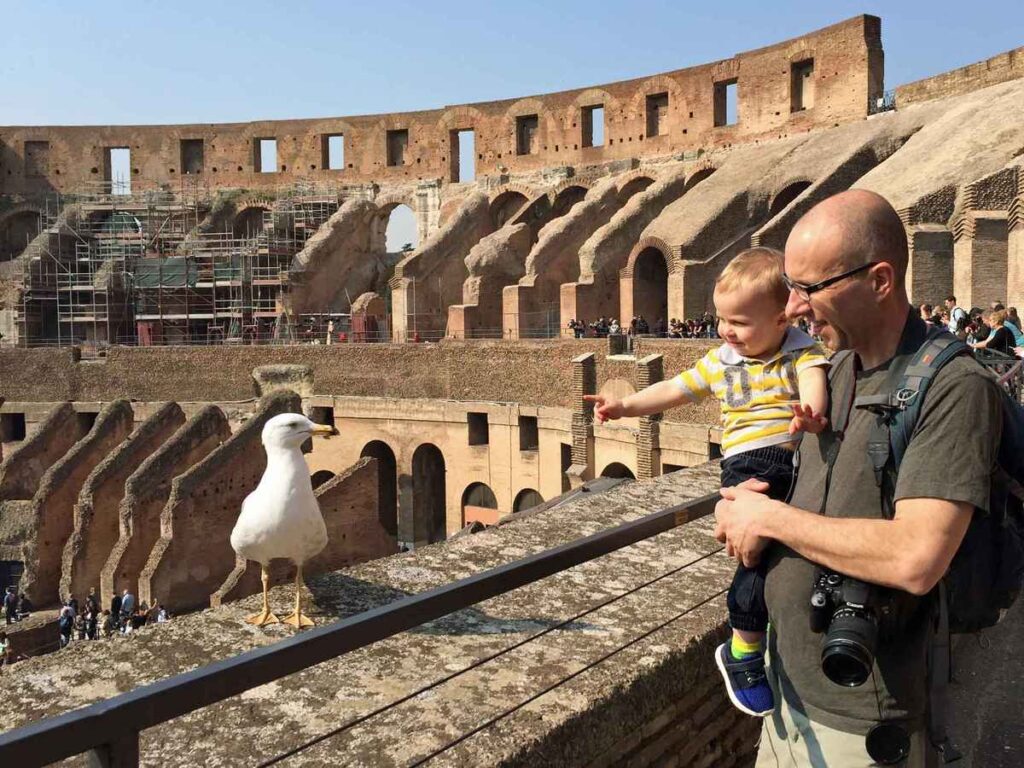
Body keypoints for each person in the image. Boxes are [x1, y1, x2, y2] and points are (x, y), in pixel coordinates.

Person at [715, 189, 1001, 766]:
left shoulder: (954, 387)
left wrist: (771, 518)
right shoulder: (836, 369)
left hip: (865, 720)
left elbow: (916, 557)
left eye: (809, 289)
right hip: (786, 689)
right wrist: (750, 502)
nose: (793, 309)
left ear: (880, 280)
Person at [585, 247, 829, 718]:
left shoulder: (801, 351)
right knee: (757, 556)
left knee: (791, 553)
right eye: (721, 319)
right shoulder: (722, 360)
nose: (725, 331)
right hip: (749, 466)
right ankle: (742, 651)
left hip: (796, 463)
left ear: (782, 320)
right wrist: (625, 406)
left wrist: (811, 413)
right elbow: (675, 390)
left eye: (738, 321)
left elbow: (814, 380)